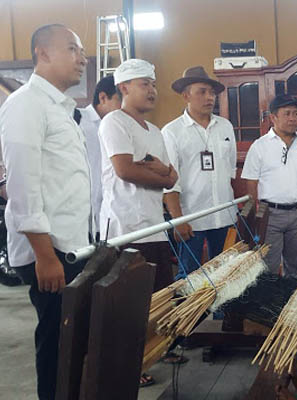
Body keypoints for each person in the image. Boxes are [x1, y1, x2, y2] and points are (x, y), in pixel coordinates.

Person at [0, 24, 89, 400]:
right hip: (49, 252)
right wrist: (44, 254)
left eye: (82, 50)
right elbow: (22, 185)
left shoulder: (59, 108)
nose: (82, 58)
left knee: (72, 344)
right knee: (56, 347)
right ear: (43, 53)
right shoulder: (25, 105)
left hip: (68, 245)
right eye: (72, 49)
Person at [98, 58, 177, 293]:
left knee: (161, 302)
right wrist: (160, 172)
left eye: (153, 85)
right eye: (145, 84)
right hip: (125, 231)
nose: (152, 91)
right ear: (124, 88)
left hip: (155, 229)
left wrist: (158, 172)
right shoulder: (114, 122)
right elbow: (125, 170)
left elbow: (173, 178)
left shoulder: (155, 131)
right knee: (129, 307)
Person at [162, 66, 236, 278]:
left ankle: (221, 313)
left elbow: (230, 171)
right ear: (186, 95)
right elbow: (170, 182)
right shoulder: (172, 132)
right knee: (189, 277)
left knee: (224, 275)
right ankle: (189, 312)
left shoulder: (225, 127)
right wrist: (178, 220)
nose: (209, 97)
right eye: (202, 92)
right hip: (190, 218)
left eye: (212, 93)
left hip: (224, 215)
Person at [241, 94, 297, 279]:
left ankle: (291, 305)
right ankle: (270, 306)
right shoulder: (259, 146)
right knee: (267, 267)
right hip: (270, 215)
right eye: (287, 113)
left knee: (295, 267)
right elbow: (251, 184)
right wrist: (255, 217)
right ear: (273, 117)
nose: (293, 118)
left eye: (296, 113)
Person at [78, 75, 121, 240]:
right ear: (103, 98)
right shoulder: (78, 122)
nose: (125, 106)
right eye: (120, 99)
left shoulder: (123, 128)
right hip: (82, 218)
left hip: (110, 215)